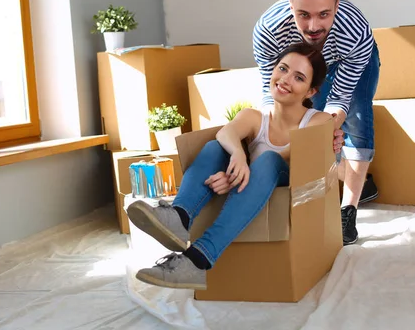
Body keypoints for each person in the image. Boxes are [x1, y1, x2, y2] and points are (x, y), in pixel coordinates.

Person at [127, 42, 336, 290]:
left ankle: (199, 258)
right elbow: (227, 133)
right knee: (218, 147)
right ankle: (180, 217)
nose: (285, 80)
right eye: (283, 68)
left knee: (269, 160)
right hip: (251, 189)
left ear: (311, 92)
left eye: (298, 77)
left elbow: (295, 160)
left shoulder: (319, 121)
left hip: (288, 186)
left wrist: (236, 176)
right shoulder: (254, 116)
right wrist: (238, 156)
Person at [252, 0, 380, 245]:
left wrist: (329, 127)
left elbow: (341, 98)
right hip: (309, 68)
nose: (313, 26)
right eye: (303, 15)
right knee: (307, 120)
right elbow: (272, 90)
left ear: (337, 3)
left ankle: (348, 210)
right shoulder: (268, 31)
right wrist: (272, 132)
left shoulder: (354, 30)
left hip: (352, 61)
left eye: (324, 14)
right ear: (290, 6)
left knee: (355, 122)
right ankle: (360, 181)